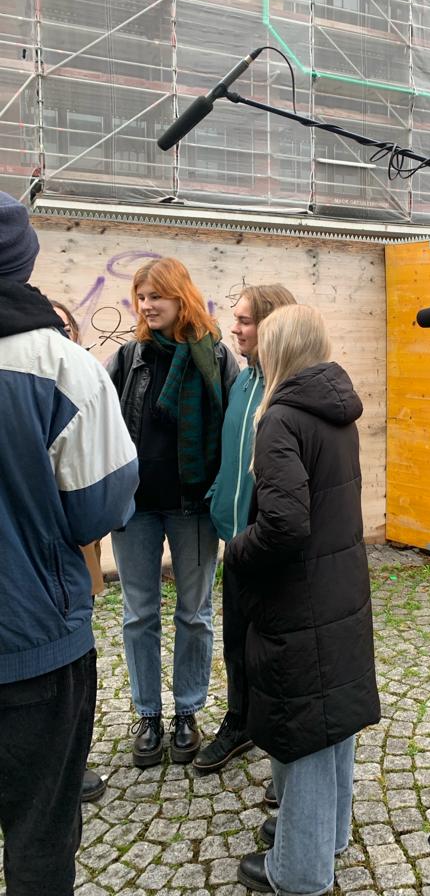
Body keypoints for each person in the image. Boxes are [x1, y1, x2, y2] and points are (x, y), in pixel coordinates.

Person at [0, 192, 139, 896]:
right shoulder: (60, 367)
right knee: (38, 837)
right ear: (25, 261)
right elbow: (99, 508)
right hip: (31, 648)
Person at [225, 304, 381, 895]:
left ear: (278, 347)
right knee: (331, 717)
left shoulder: (283, 419)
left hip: (301, 596)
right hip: (338, 586)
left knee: (306, 727)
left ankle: (300, 870)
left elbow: (285, 524)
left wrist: (239, 551)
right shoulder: (336, 411)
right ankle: (324, 835)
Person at [107, 257, 238, 767]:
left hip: (194, 505)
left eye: (155, 296)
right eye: (141, 297)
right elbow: (106, 426)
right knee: (139, 614)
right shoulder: (128, 357)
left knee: (194, 613)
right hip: (136, 506)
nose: (147, 305)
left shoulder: (217, 357)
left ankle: (187, 712)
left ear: (180, 296)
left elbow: (233, 427)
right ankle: (147, 715)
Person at [194, 284, 297, 776]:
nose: (234, 328)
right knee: (236, 641)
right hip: (235, 544)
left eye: (245, 320)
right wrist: (218, 494)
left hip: (271, 548)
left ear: (273, 324)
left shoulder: (290, 386)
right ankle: (240, 723)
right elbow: (229, 451)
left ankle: (287, 749)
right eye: (235, 318)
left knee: (274, 652)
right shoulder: (241, 381)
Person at [49, 299, 109, 804]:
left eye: (65, 325)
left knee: (76, 639)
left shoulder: (82, 380)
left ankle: (72, 757)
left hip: (73, 543)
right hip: (43, 539)